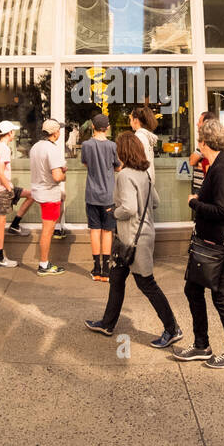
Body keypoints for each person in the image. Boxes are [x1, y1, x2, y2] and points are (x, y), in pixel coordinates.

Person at [84, 130, 181, 348]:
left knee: (147, 284)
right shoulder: (144, 174)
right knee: (117, 279)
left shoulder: (125, 175)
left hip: (133, 240)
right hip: (141, 235)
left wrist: (113, 212)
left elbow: (128, 208)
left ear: (123, 151)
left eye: (119, 149)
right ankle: (107, 323)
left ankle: (172, 328)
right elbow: (154, 201)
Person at [174, 116, 224, 368]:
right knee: (193, 289)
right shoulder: (218, 165)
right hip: (210, 245)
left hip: (222, 247)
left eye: (199, 142)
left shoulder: (222, 169)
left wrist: (194, 202)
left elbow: (223, 210)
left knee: (222, 298)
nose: (199, 146)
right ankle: (201, 345)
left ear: (204, 143)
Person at [0, 120, 33, 268]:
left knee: (31, 195)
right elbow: (0, 172)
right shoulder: (4, 149)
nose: (15, 134)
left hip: (2, 187)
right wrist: (9, 189)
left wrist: (1, 183)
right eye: (14, 132)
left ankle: (15, 225)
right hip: (4, 190)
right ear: (10, 133)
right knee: (0, 224)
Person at [81, 113, 121, 280]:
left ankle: (96, 268)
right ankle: (106, 269)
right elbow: (118, 167)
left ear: (92, 127)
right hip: (108, 196)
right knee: (107, 231)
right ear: (108, 128)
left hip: (92, 194)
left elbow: (85, 163)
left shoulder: (86, 145)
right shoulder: (112, 146)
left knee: (95, 231)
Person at [29, 118, 67, 275]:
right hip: (49, 194)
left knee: (50, 224)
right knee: (47, 230)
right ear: (55, 133)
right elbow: (57, 176)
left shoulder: (36, 147)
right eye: (59, 130)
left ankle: (57, 229)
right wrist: (63, 173)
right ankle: (43, 265)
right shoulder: (52, 149)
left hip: (39, 190)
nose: (60, 133)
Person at [188, 111, 212, 214]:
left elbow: (192, 160)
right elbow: (192, 160)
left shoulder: (207, 141)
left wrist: (198, 162)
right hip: (199, 186)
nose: (197, 124)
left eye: (199, 121)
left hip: (203, 188)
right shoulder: (203, 141)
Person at [129, 105, 158, 180]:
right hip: (148, 177)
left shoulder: (139, 137)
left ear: (136, 120)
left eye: (131, 119)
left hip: (141, 179)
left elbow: (136, 161)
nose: (130, 122)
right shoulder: (147, 136)